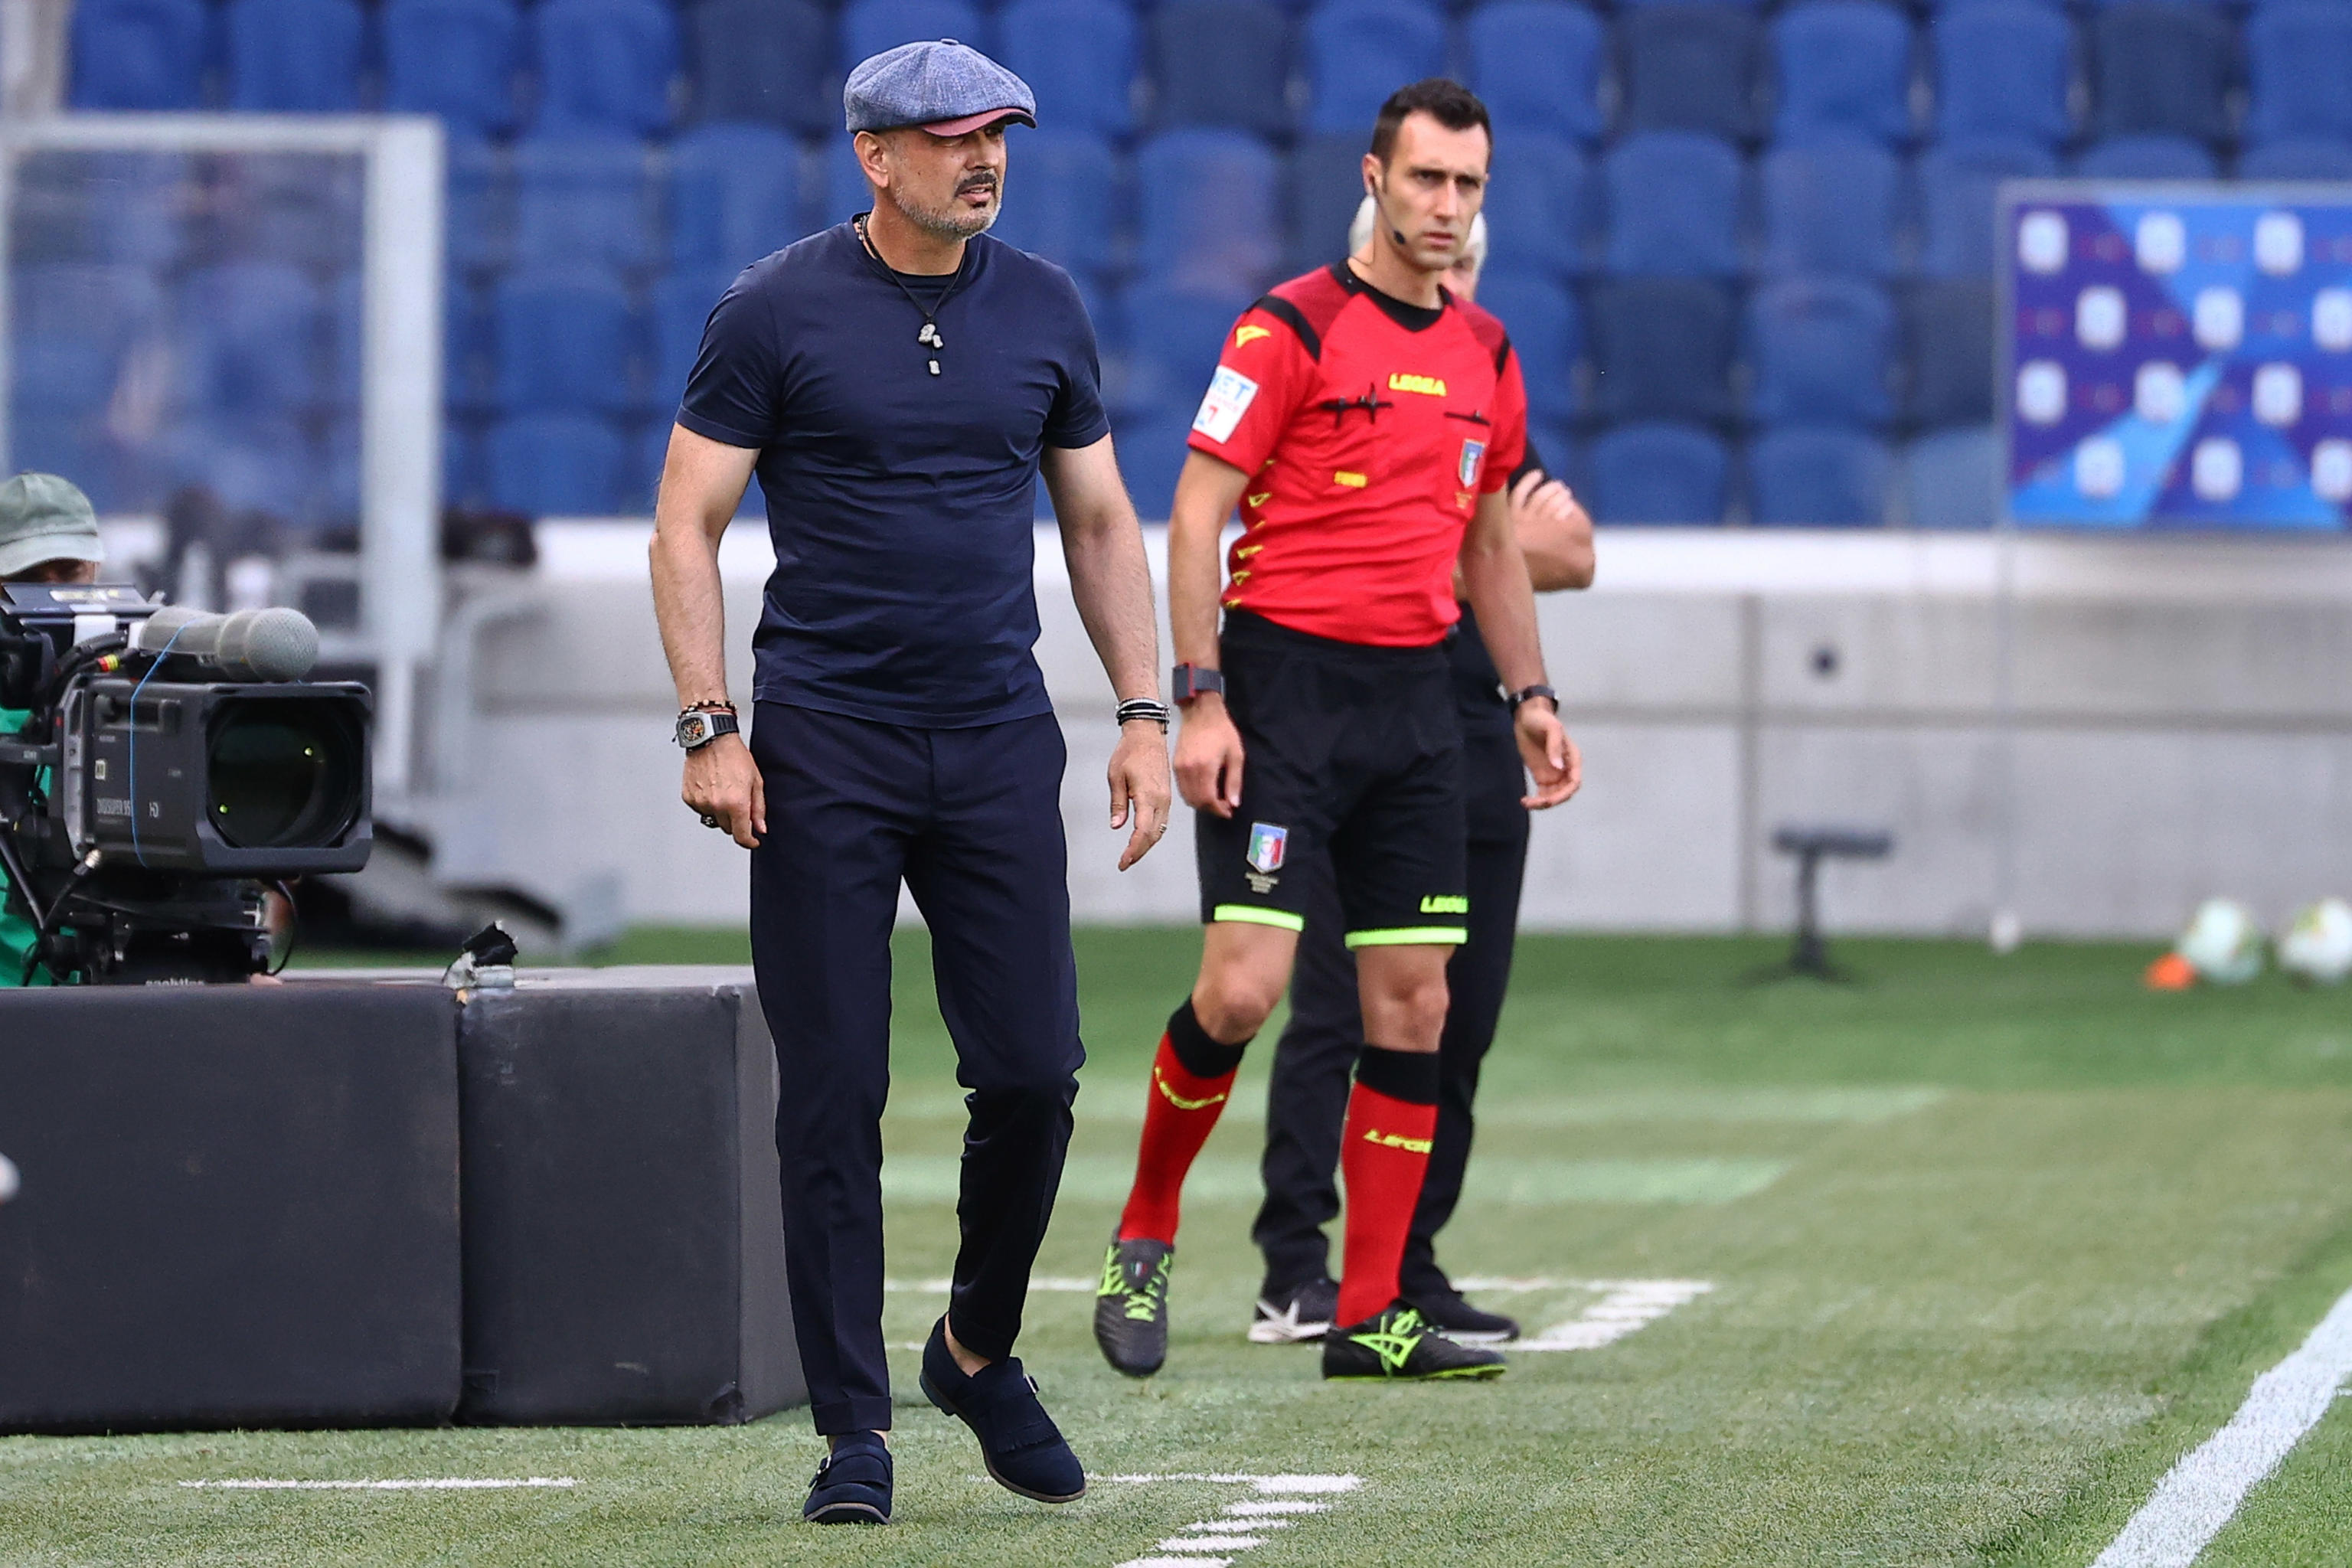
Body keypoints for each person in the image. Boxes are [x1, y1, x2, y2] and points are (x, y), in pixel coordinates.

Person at [646, 41, 1171, 1527]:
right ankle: (851, 1431)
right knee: (835, 1094)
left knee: (1034, 1070)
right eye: (951, 141)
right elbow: (686, 525)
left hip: (996, 734)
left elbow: (1103, 522)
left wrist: (1143, 708)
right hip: (823, 745)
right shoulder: (772, 310)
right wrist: (710, 724)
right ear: (876, 157)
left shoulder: (1046, 306)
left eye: (999, 134)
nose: (982, 161)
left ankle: (974, 1349)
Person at [1094, 79, 1580, 1385]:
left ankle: (1369, 1312)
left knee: (1411, 1007)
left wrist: (1528, 695)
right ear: (1373, 179)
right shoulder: (1289, 326)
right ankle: (1143, 1229)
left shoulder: (1486, 349)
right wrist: (1198, 696)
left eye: (1467, 185)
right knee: (1245, 990)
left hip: (1418, 703)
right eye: (1425, 179)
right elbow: (1195, 514)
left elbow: (1489, 538)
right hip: (1281, 694)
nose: (1446, 205)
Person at [1247, 200, 1595, 1348]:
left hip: (1469, 736)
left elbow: (1573, 549)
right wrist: (1415, 514)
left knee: (1458, 1016)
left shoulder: (1485, 388)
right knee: (1330, 1006)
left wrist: (1419, 515)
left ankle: (1403, 1266)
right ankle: (1294, 1265)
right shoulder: (1332, 368)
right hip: (1345, 729)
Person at [0, 473, 106, 988]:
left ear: (97, 568)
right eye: (24, 578)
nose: (49, 596)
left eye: (68, 572)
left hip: (123, 1018)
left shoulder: (139, 701)